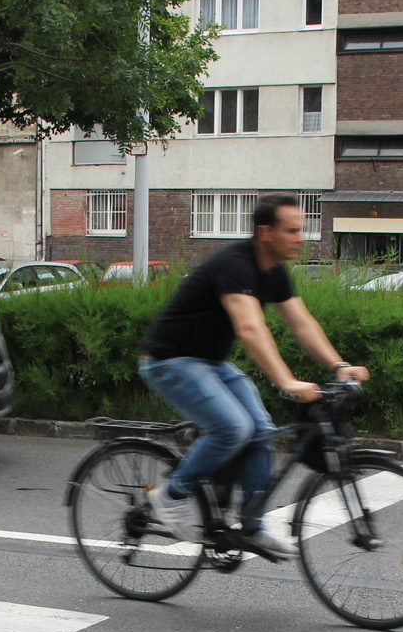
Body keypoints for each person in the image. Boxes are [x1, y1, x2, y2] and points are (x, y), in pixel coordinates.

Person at [138, 194, 368, 561]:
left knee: (262, 430)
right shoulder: (235, 264)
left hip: (210, 363)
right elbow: (249, 327)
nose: (300, 237)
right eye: (292, 230)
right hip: (171, 361)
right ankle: (169, 496)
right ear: (265, 231)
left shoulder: (273, 271)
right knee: (234, 428)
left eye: (301, 230)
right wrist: (287, 381)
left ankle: (253, 527)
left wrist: (339, 366)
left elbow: (301, 323)